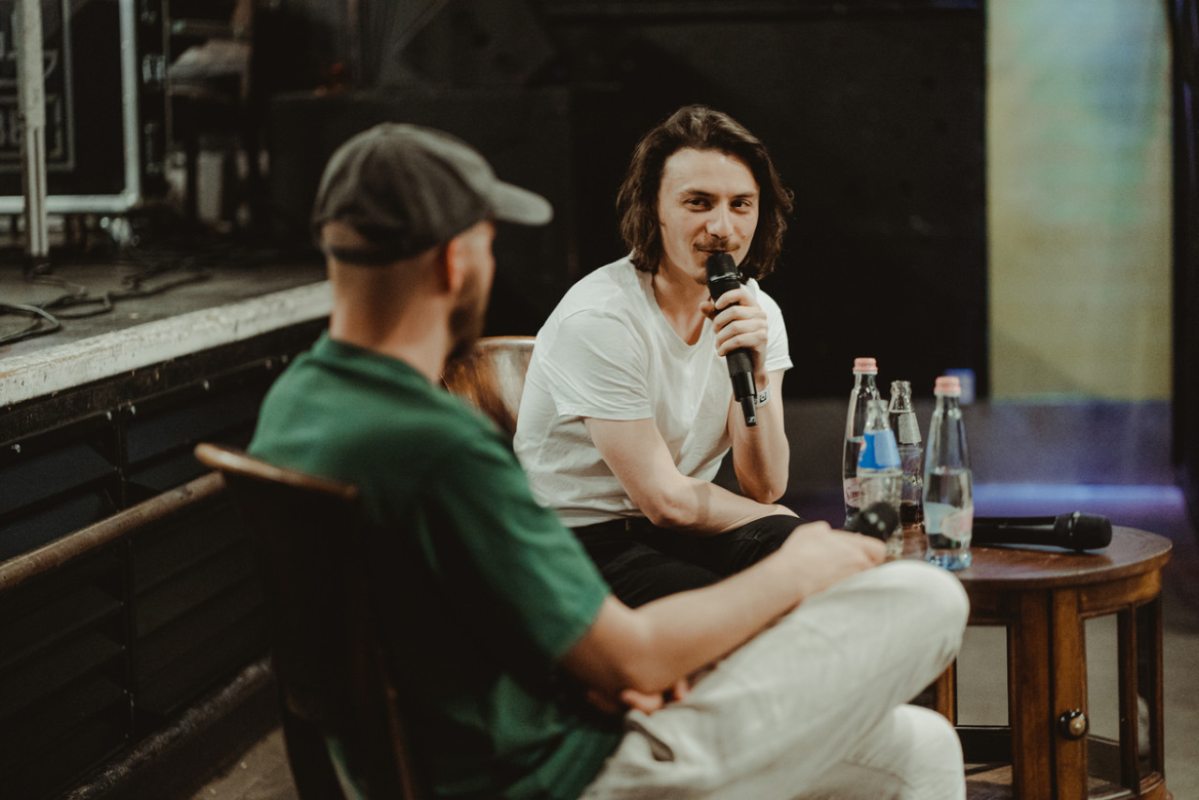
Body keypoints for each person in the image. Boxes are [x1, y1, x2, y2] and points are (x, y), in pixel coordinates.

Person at [250, 122, 969, 799]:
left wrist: (592, 672)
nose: (722, 225)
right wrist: (796, 568)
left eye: (740, 205)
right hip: (557, 774)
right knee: (930, 600)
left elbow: (491, 614)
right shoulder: (440, 448)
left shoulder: (299, 401)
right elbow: (637, 656)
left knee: (920, 747)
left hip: (495, 731)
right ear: (455, 260)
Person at [515, 105, 801, 606]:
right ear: (654, 208)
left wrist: (756, 378)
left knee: (808, 560)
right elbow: (664, 500)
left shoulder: (757, 312)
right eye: (698, 203)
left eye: (741, 204)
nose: (722, 227)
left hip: (680, 529)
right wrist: (784, 524)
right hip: (578, 540)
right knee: (735, 599)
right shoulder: (602, 317)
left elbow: (765, 485)